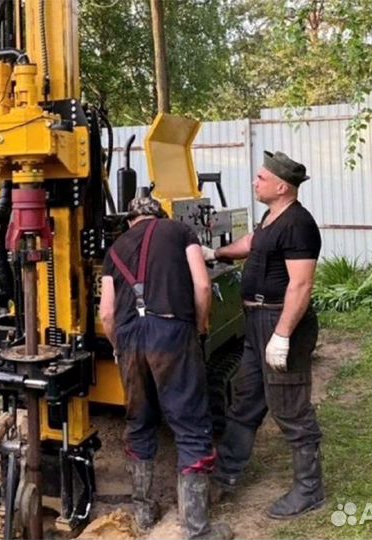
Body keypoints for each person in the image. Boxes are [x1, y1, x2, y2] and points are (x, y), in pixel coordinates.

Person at [99, 196, 232, 540]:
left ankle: (143, 514)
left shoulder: (113, 251)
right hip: (172, 332)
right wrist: (201, 323)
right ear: (159, 214)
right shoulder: (180, 230)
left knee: (139, 422)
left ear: (131, 221)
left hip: (129, 339)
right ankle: (196, 528)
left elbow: (107, 314)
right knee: (190, 423)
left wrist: (119, 348)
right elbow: (203, 284)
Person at [202, 150, 325, 519]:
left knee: (289, 407)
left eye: (261, 178)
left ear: (282, 186)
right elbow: (251, 245)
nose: (255, 182)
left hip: (279, 321)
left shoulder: (299, 224)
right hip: (256, 324)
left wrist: (283, 335)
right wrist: (216, 253)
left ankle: (310, 489)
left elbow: (301, 285)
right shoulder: (272, 217)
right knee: (245, 399)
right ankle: (225, 476)